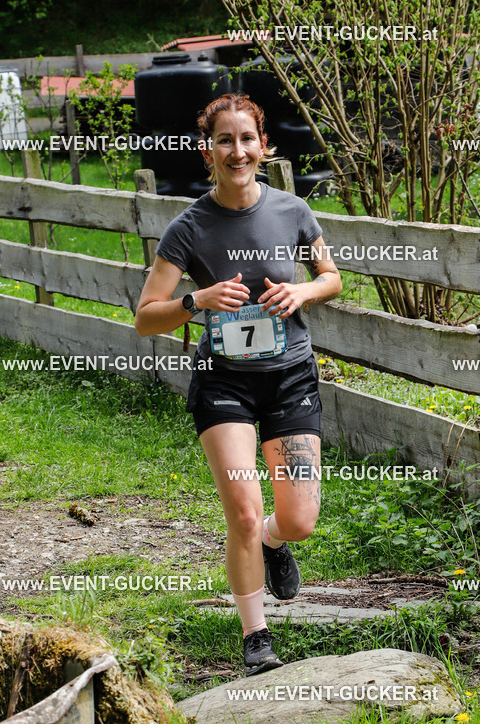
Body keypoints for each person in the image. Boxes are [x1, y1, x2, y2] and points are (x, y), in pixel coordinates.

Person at [135, 92, 342, 676]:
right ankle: (256, 638)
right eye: (224, 140)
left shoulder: (293, 211)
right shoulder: (189, 227)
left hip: (290, 375)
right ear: (208, 152)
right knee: (245, 513)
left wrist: (302, 290)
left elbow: (331, 277)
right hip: (223, 381)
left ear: (263, 146)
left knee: (298, 520)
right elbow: (145, 317)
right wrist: (197, 300)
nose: (237, 151)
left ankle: (275, 544)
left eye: (247, 138)